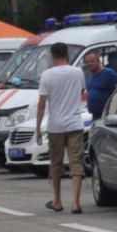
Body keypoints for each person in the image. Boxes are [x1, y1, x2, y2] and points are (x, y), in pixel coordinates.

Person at [38, 42, 86, 213]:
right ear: (67, 54)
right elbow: (80, 93)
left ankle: (57, 200)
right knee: (76, 162)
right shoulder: (77, 72)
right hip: (74, 123)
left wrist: (38, 128)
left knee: (56, 163)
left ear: (52, 56)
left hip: (55, 125)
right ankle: (75, 202)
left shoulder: (46, 75)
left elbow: (42, 104)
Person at [83, 49, 117, 122]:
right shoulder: (90, 78)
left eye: (92, 61)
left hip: (107, 116)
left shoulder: (109, 74)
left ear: (99, 61)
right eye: (87, 62)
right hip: (95, 116)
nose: (90, 63)